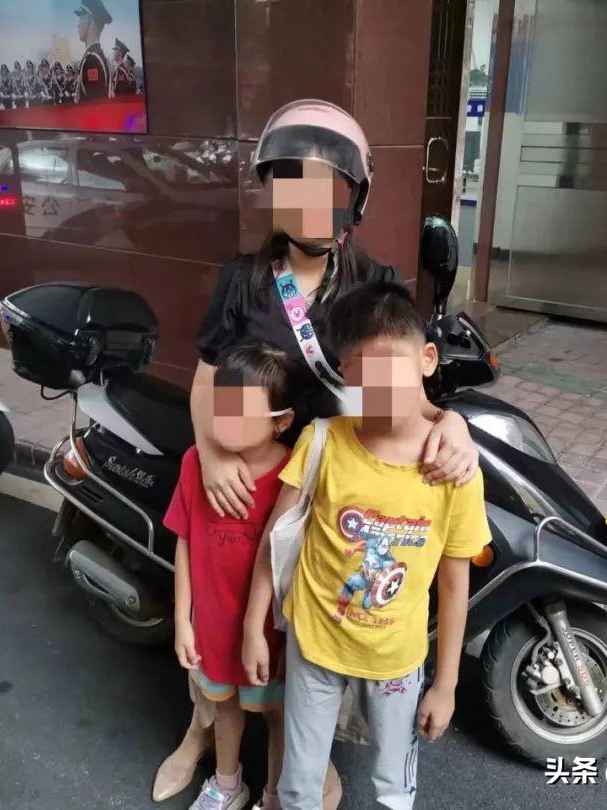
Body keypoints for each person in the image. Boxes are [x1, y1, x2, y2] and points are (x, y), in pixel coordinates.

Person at [151, 99, 480, 806]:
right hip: (248, 471)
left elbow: (403, 379)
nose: (308, 202)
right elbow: (208, 379)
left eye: (326, 186)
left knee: (308, 627)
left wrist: (450, 422)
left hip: (330, 483)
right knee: (223, 612)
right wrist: (214, 454)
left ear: (353, 197)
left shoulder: (375, 282)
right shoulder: (243, 278)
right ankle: (202, 729)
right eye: (292, 184)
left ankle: (298, 754)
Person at [242, 281, 490, 809]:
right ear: (346, 377)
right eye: (364, 378)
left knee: (393, 784)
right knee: (298, 784)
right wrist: (253, 628)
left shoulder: (453, 470)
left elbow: (454, 584)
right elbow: (275, 540)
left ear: (426, 359)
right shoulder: (323, 442)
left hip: (397, 662)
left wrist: (445, 684)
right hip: (315, 646)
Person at [165, 342, 296, 810]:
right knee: (224, 706)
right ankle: (226, 783)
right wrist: (184, 620)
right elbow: (185, 540)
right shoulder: (195, 464)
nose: (227, 420)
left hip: (272, 632)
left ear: (282, 421)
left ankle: (275, 794)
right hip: (213, 625)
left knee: (278, 712)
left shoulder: (293, 477)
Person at [73, 0, 112, 101]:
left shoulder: (92, 60)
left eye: (81, 17)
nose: (78, 25)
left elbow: (93, 105)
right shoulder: (97, 56)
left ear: (90, 22)